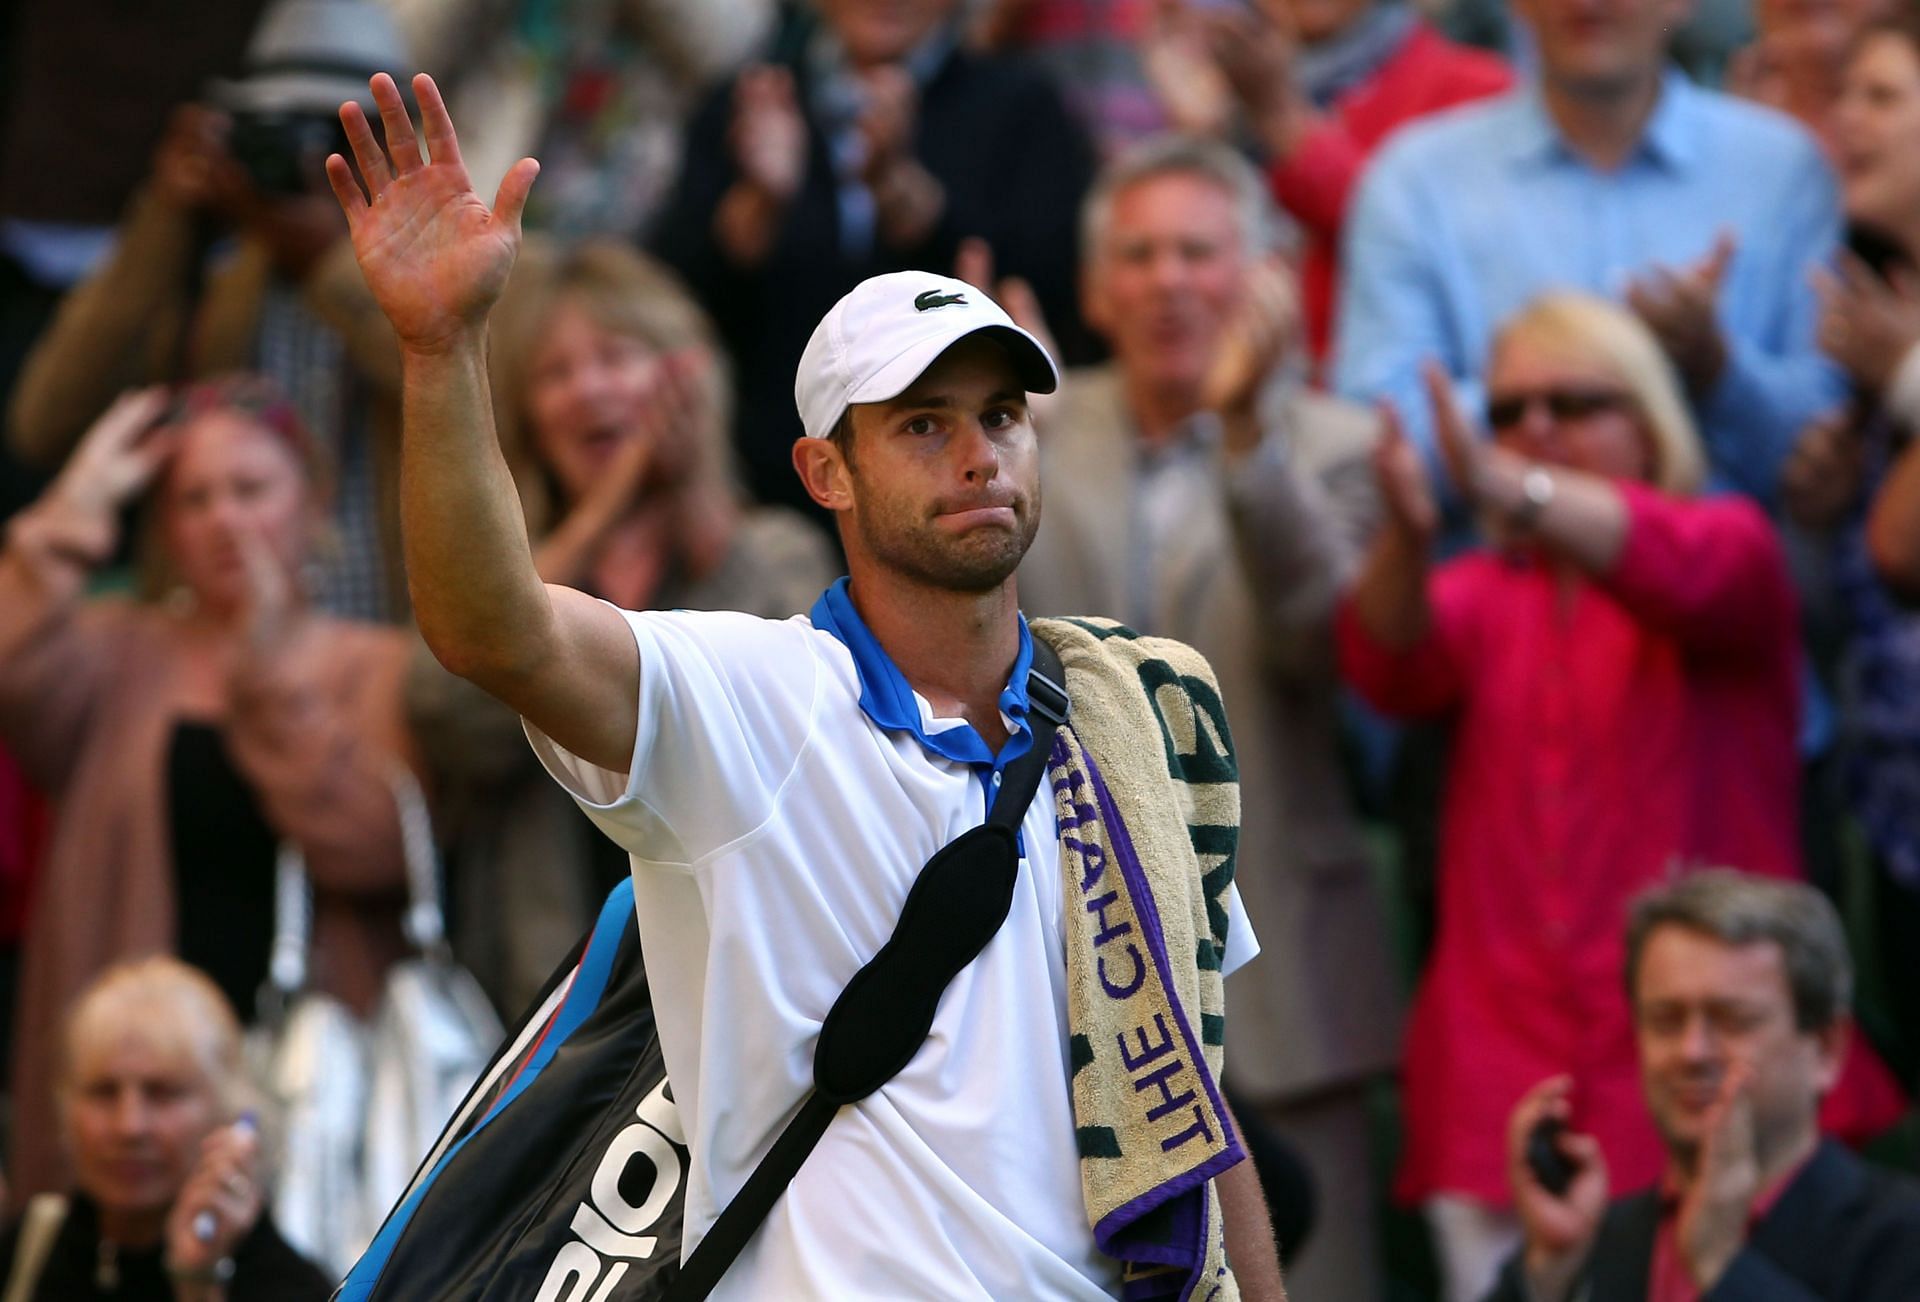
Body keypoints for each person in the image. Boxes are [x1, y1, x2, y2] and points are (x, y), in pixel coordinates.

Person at [326, 70, 1286, 1298]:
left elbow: (1195, 1111)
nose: (980, 454)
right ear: (823, 474)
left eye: (1002, 416)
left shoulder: (1126, 719)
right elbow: (492, 633)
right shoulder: (754, 696)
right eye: (922, 426)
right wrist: (440, 349)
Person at [1334, 293, 1881, 1302]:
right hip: (1504, 1065)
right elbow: (1385, 664)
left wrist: (1505, 481)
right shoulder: (1487, 589)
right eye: (1506, 413)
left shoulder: (1729, 539)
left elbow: (1684, 574)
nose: (1534, 432)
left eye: (1572, 403)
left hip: (1698, 1055)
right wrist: (1412, 534)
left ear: (1651, 418)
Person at [1017, 134, 1400, 1302]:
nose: (1169, 280)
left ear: (1263, 276)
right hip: (1064, 978)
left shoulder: (1339, 447)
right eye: (1138, 254)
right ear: (1095, 289)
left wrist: (1248, 444)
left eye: (1199, 250)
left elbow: (1315, 644)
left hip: (1277, 973)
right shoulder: (1024, 431)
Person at [0, 376, 417, 1205]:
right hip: (133, 1094)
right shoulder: (116, 651)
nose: (225, 519)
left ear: (315, 501)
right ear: (165, 528)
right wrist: (73, 509)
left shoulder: (375, 664)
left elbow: (371, 850)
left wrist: (267, 673)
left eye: (251, 490)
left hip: (312, 1090)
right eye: (194, 499)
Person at [407, 236, 837, 1014]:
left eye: (615, 358)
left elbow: (803, 721)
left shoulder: (775, 549)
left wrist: (696, 502)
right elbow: (445, 713)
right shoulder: (509, 576)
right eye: (557, 374)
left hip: (744, 994)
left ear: (686, 380)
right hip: (545, 997)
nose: (588, 391)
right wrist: (606, 511)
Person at [1334, 0, 1845, 501]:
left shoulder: (1784, 172)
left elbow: (1828, 452)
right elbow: (1377, 440)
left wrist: (1714, 369)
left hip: (1718, 580)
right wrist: (1568, 391)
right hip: (1490, 570)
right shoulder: (1416, 181)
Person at [7, 0, 411, 622]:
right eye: (279, 131)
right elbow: (45, 421)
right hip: (210, 662)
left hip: (383, 663)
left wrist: (330, 264)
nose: (312, 163)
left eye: (339, 137)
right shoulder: (214, 282)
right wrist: (165, 215)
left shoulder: (449, 278)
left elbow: (478, 392)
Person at [650, 0, 1096, 521]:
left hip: (957, 490)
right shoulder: (749, 101)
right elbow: (669, 304)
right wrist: (758, 205)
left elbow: (1050, 297)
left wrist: (914, 206)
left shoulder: (1022, 107)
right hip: (760, 494)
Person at [1487, 870, 1920, 1302]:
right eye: (1666, 1020)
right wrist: (1549, 1272)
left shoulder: (1899, 1236)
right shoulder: (1598, 1238)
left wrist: (1721, 1264)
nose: (1692, 1052)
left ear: (1826, 1049)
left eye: (1734, 1021)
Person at [1779, 4, 1920, 1086]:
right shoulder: (1869, 307)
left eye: (1882, 95)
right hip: (1889, 817)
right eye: (1843, 97)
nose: (1848, 123)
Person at [1145, 0, 1512, 366]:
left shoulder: (1474, 90)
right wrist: (1198, 137)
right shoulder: (1226, 85)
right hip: (1242, 401)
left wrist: (1280, 117)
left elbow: (1424, 251)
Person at [0, 958, 334, 1301]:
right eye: (104, 1091)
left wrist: (198, 1280)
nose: (129, 1126)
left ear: (227, 1111)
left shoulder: (289, 1286)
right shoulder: (28, 1251)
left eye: (162, 1093)